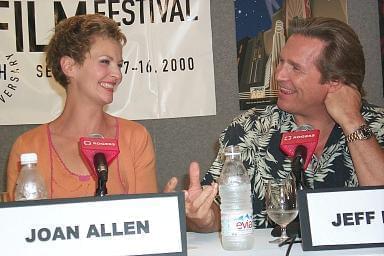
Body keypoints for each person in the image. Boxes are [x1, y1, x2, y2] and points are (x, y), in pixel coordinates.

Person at [165, 17, 384, 231]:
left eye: (295, 68)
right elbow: (219, 212)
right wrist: (204, 218)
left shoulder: (378, 126)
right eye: (281, 62)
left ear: (335, 82)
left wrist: (352, 122)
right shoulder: (249, 129)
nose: (278, 75)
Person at [6, 14, 158, 200]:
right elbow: (19, 226)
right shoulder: (28, 146)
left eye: (119, 65)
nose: (117, 74)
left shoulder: (135, 138)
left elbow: (148, 221)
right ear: (69, 66)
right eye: (105, 62)